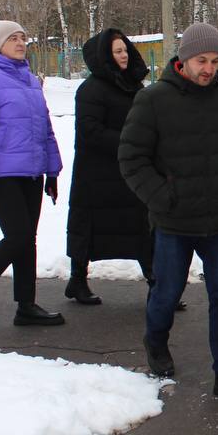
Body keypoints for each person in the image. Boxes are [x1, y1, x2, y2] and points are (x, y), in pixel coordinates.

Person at [119, 22, 218, 403]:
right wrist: (162, 198)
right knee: (166, 292)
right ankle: (156, 341)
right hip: (173, 222)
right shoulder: (153, 100)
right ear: (184, 59)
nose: (208, 69)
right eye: (201, 60)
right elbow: (132, 158)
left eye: (214, 61)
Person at [0, 20, 65, 328]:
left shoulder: (30, 80)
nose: (21, 43)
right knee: (17, 235)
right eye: (13, 38)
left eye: (23, 38)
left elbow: (45, 129)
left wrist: (52, 170)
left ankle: (26, 305)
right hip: (1, 174)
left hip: (31, 173)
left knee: (26, 239)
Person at [64, 29, 152, 305]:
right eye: (117, 51)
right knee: (89, 229)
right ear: (105, 56)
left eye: (125, 49)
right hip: (97, 174)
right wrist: (131, 142)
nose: (124, 55)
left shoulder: (135, 86)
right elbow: (89, 131)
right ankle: (77, 280)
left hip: (130, 172)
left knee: (142, 227)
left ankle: (158, 285)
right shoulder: (91, 89)